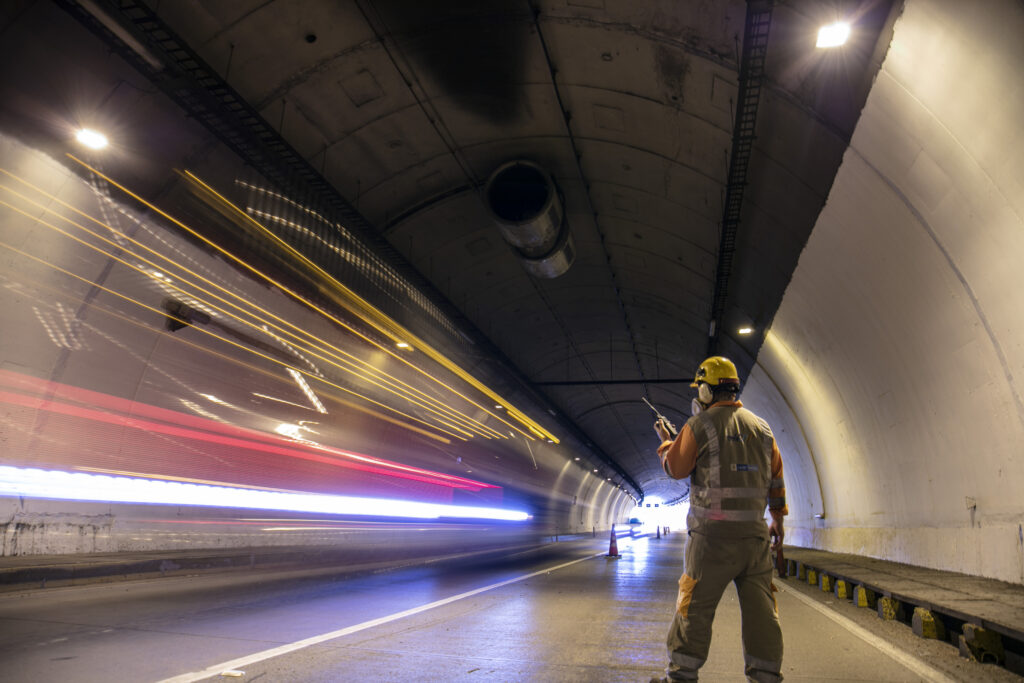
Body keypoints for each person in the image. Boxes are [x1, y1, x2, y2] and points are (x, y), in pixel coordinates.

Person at [649, 356, 787, 683]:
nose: (699, 396)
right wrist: (778, 519)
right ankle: (766, 677)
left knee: (693, 609)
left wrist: (666, 443)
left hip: (710, 541)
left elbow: (676, 468)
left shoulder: (699, 426)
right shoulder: (763, 429)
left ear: (709, 392)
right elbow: (776, 479)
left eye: (701, 390)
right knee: (762, 615)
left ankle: (682, 675)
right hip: (754, 541)